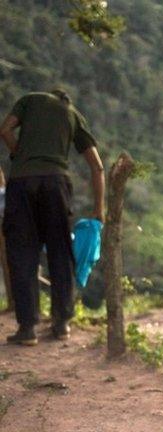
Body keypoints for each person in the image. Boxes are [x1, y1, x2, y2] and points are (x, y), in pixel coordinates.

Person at [0, 89, 105, 346]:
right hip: (55, 184)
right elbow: (97, 165)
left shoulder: (29, 100)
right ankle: (61, 324)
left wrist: (18, 155)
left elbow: (5, 130)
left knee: (22, 253)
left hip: (21, 182)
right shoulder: (71, 114)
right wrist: (99, 209)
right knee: (60, 252)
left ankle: (27, 328)